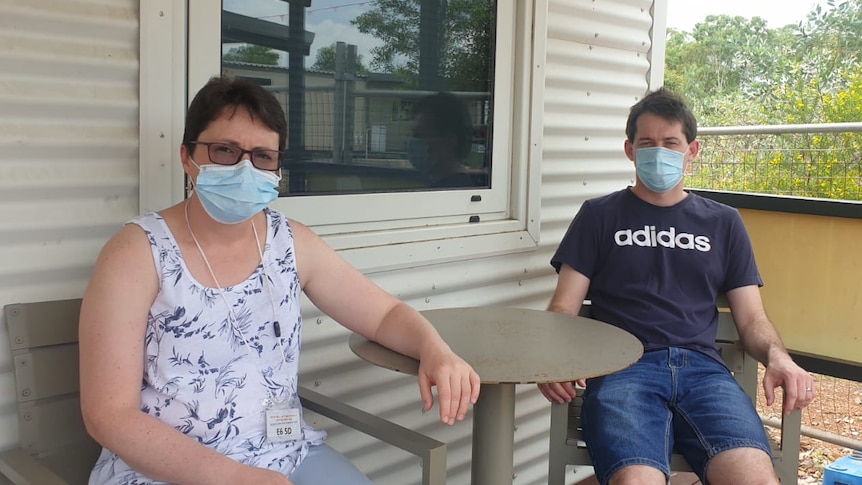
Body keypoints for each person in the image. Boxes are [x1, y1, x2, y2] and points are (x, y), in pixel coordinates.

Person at [79, 76, 480, 485]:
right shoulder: (136, 252)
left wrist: (435, 349)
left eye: (263, 156)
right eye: (225, 150)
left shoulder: (290, 242)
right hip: (166, 467)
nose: (244, 167)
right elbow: (109, 415)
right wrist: (234, 478)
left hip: (283, 452)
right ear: (188, 157)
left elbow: (383, 315)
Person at [538, 87, 815, 485]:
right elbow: (565, 306)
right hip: (622, 371)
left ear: (692, 150)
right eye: (646, 143)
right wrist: (555, 357)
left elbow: (752, 319)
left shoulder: (724, 223)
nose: (658, 152)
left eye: (671, 143)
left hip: (705, 375)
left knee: (754, 478)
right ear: (630, 150)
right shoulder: (598, 216)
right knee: (636, 481)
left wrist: (779, 357)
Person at [405, 91, 482, 188]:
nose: (412, 142)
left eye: (420, 136)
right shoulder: (442, 186)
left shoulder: (451, 194)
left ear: (449, 142)